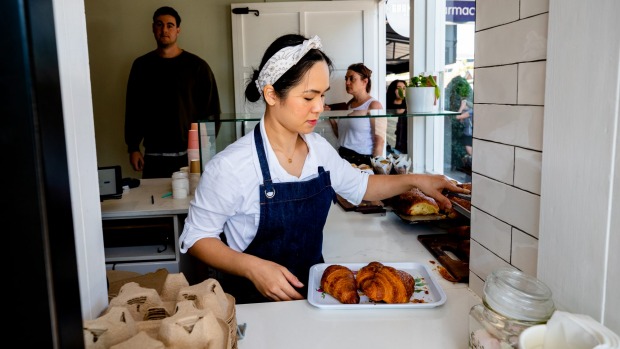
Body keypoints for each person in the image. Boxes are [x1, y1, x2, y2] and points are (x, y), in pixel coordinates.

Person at [178, 34, 468, 304]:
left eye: (322, 95)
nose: (319, 107)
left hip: (316, 294)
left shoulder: (318, 149)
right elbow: (196, 238)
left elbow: (362, 186)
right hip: (253, 305)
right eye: (308, 97)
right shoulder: (231, 166)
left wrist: (418, 181)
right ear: (271, 94)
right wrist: (252, 267)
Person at [124, 6, 221, 179]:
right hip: (153, 157)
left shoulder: (197, 67)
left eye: (170, 25)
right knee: (153, 204)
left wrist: (205, 150)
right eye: (160, 25)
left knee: (190, 204)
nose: (164, 30)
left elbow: (211, 110)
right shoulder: (141, 66)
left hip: (189, 157)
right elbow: (133, 109)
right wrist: (133, 147)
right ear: (153, 28)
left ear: (178, 30)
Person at [329, 63, 385, 166]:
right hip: (343, 158)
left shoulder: (374, 105)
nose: (347, 82)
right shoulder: (349, 105)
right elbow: (342, 135)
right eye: (346, 79)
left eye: (352, 79)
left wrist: (376, 169)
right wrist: (331, 117)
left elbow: (380, 141)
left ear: (364, 82)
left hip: (362, 161)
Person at [386, 79, 408, 154]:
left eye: (404, 88)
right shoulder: (385, 106)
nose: (402, 90)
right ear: (393, 90)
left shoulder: (409, 107)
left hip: (405, 147)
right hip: (389, 147)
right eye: (398, 88)